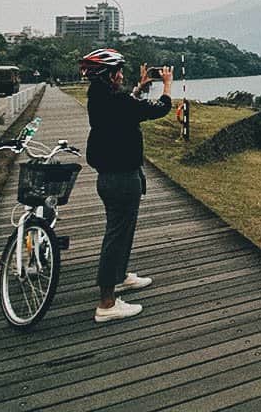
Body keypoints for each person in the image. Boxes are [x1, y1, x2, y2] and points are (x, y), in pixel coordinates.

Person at [79, 48, 174, 322]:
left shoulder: (99, 97)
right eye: (117, 71)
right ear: (107, 76)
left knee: (122, 230)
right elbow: (160, 109)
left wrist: (139, 89)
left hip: (113, 176)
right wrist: (166, 85)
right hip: (120, 178)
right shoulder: (115, 101)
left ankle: (119, 276)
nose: (120, 75)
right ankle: (107, 303)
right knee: (117, 235)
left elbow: (125, 108)